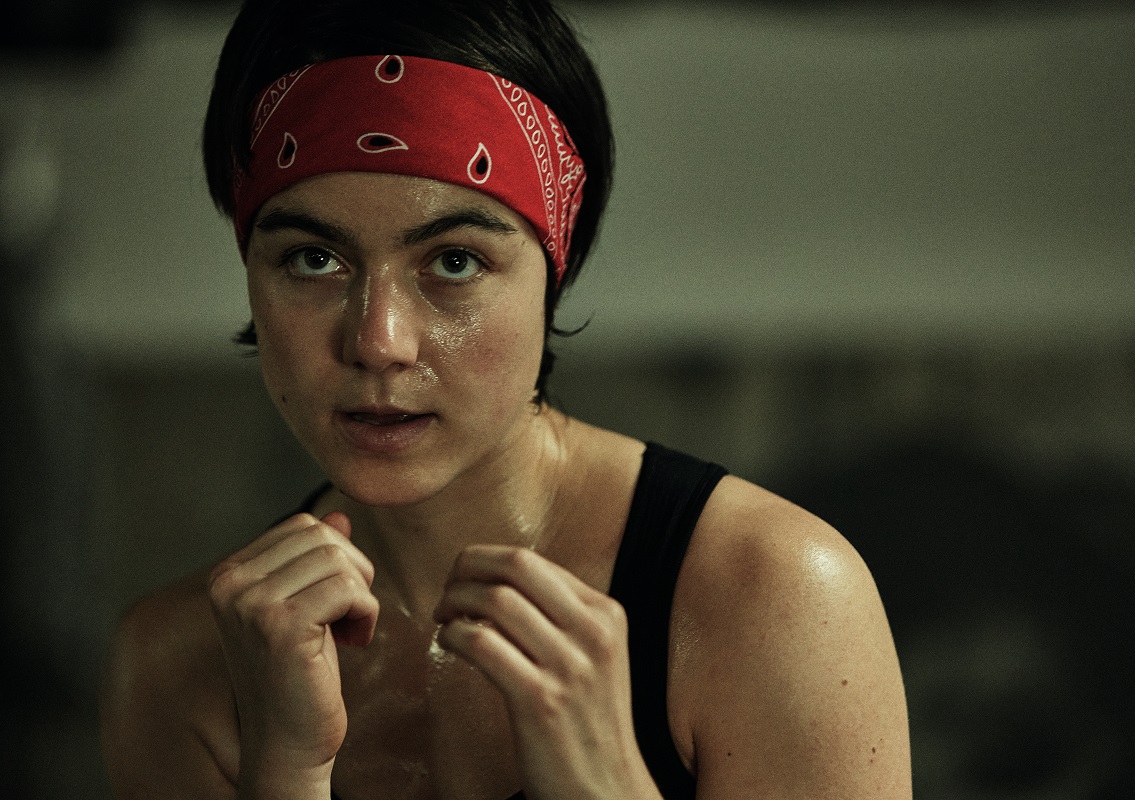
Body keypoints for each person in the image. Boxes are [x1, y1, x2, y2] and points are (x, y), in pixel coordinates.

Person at [99, 1, 911, 798]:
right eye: (313, 259)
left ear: (554, 271)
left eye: (454, 261)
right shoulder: (179, 667)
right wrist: (286, 772)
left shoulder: (771, 599)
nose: (379, 341)